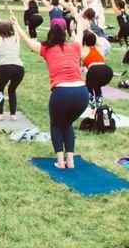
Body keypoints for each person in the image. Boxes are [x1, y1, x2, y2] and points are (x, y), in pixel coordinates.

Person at [13, 15, 86, 169]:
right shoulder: (75, 47)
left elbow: (27, 40)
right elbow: (80, 34)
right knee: (67, 124)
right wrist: (79, 20)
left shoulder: (46, 49)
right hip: (81, 93)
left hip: (62, 92)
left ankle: (60, 162)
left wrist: (17, 25)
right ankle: (70, 161)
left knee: (56, 125)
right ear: (65, 34)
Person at [0, 17, 25, 121]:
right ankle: (13, 115)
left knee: (0, 90)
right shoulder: (16, 37)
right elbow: (16, 30)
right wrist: (14, 22)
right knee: (12, 90)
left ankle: (0, 114)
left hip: (4, 67)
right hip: (19, 68)